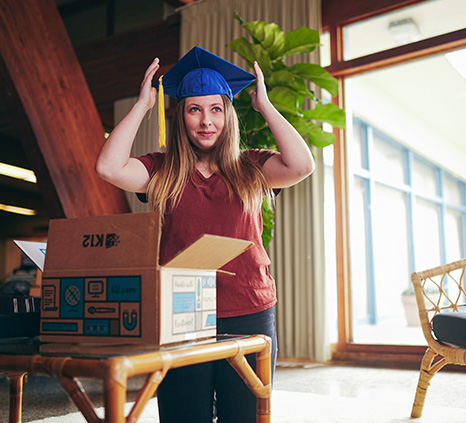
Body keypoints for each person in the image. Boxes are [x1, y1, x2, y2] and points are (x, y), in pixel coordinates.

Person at [95, 46, 315, 423]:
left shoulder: (252, 167)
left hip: (248, 309)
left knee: (243, 415)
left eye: (216, 109)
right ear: (180, 116)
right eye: (194, 109)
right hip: (183, 314)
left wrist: (265, 106)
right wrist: (142, 105)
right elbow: (108, 167)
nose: (206, 121)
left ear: (228, 114)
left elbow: (301, 164)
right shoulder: (163, 170)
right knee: (185, 415)